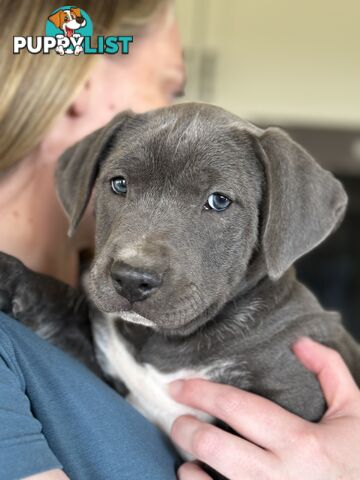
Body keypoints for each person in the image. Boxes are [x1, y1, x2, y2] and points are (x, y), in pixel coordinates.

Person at [0, 1, 359, 479]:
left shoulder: (290, 347)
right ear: (80, 83)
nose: (137, 260)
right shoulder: (38, 336)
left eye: (216, 201)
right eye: (122, 184)